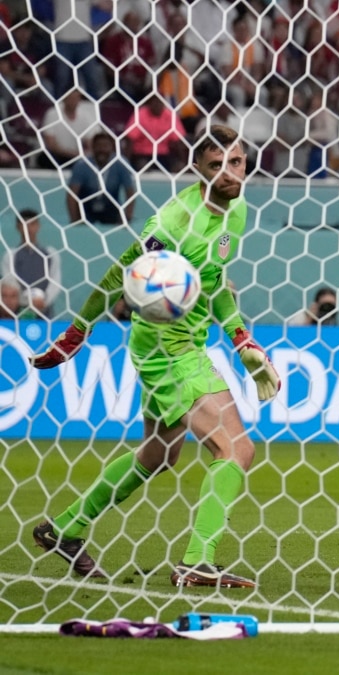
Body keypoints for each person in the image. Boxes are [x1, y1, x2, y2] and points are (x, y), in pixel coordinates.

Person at [28, 125, 280, 588]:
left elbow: (216, 281)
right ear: (197, 170)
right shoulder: (170, 224)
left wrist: (242, 340)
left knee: (159, 455)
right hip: (166, 345)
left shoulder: (238, 209)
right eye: (217, 165)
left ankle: (65, 528)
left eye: (237, 162)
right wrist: (77, 331)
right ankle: (196, 561)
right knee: (236, 447)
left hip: (190, 340)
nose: (230, 173)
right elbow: (120, 277)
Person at [1, 209, 63, 319]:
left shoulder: (51, 254)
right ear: (18, 227)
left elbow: (55, 282)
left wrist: (43, 300)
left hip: (45, 312)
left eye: (32, 224)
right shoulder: (10, 255)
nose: (28, 228)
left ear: (38, 226)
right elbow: (10, 283)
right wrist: (27, 301)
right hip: (18, 314)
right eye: (24, 224)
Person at [67, 131, 137, 227]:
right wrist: (74, 221)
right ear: (93, 147)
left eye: (105, 146)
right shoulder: (82, 165)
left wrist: (127, 218)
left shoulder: (121, 164)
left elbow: (130, 193)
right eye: (98, 146)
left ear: (112, 147)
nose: (101, 149)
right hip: (86, 209)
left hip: (111, 208)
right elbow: (72, 194)